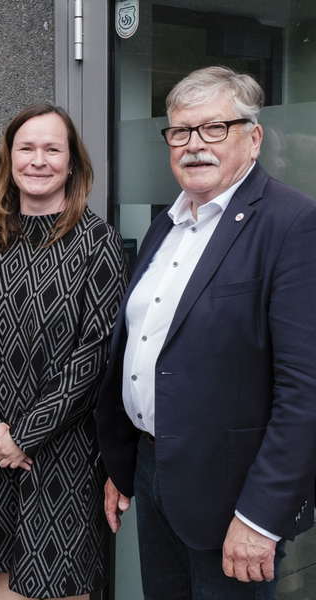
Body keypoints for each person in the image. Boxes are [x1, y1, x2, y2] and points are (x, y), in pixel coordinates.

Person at [95, 66, 316, 600]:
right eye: (180, 131)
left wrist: (261, 517)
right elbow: (145, 348)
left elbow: (305, 391)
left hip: (232, 496)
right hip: (154, 475)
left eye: (214, 128)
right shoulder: (164, 226)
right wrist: (126, 467)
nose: (194, 145)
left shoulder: (292, 223)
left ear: (254, 137)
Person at [0, 102, 127, 600]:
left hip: (62, 452)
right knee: (4, 574)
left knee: (60, 579)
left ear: (72, 163)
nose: (38, 160)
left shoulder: (97, 244)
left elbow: (94, 356)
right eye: (26, 148)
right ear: (9, 159)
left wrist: (25, 435)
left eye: (53, 149)